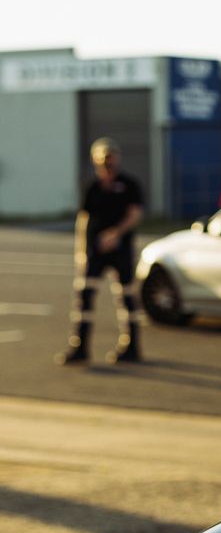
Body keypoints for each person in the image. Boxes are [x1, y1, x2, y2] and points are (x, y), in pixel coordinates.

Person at [60, 138, 146, 366]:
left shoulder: (129, 185)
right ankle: (80, 347)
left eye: (111, 157)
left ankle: (132, 346)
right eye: (103, 158)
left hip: (120, 250)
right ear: (95, 159)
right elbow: (84, 218)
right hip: (94, 252)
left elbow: (135, 214)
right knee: (85, 297)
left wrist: (116, 233)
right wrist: (81, 251)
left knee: (126, 296)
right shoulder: (92, 187)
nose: (108, 162)